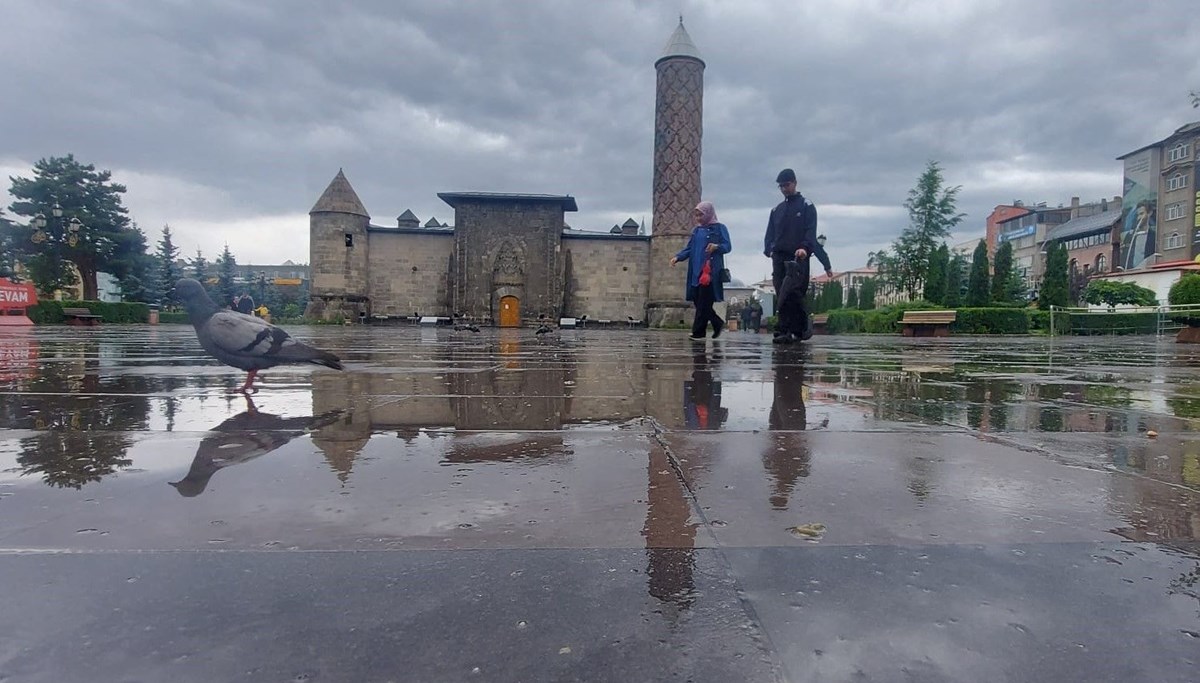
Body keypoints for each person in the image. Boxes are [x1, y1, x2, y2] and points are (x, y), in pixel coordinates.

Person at [764, 169, 830, 344]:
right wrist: (769, 249)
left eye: (787, 185)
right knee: (781, 293)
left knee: (793, 292)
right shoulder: (776, 209)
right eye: (781, 186)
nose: (784, 189)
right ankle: (784, 329)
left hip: (798, 256)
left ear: (794, 183)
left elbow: (810, 231)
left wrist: (804, 248)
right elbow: (770, 233)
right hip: (779, 257)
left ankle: (798, 328)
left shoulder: (806, 206)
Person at [670, 201, 732, 340]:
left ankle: (698, 332)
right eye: (696, 215)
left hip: (710, 272)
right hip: (696, 272)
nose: (698, 218)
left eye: (701, 215)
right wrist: (678, 257)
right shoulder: (696, 230)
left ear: (708, 214)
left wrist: (716, 247)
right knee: (699, 302)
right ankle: (717, 322)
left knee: (704, 302)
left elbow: (727, 246)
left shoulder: (719, 228)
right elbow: (690, 248)